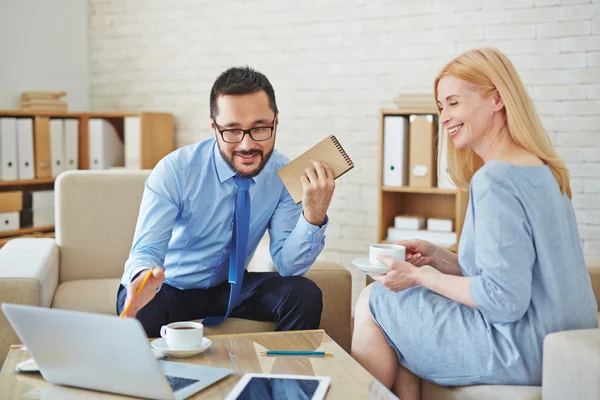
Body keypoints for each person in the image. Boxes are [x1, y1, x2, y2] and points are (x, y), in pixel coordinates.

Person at [351, 47, 598, 400]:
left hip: (518, 348)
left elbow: (503, 300)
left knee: (374, 298)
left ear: (497, 99)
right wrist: (437, 256)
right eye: (440, 107)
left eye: (453, 102)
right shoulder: (545, 171)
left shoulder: (494, 179)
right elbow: (515, 274)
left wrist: (419, 276)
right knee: (401, 310)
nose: (444, 117)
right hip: (557, 339)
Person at [116, 66, 336, 337]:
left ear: (276, 122)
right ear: (214, 127)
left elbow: (288, 267)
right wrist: (142, 277)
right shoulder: (175, 171)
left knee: (303, 294)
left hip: (230, 288)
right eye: (232, 130)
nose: (246, 145)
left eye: (260, 128)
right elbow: (146, 248)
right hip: (172, 287)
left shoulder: (283, 174)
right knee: (143, 307)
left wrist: (314, 213)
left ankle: (286, 376)